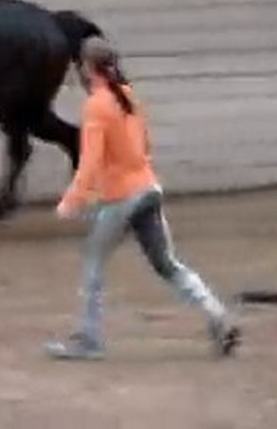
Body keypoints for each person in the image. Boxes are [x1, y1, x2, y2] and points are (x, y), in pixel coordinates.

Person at [44, 36, 240, 360]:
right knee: (168, 265)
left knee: (93, 263)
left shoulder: (96, 105)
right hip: (148, 190)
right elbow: (143, 145)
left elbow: (90, 161)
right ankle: (217, 316)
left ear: (89, 69)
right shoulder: (128, 97)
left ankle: (90, 340)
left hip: (121, 198)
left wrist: (72, 200)